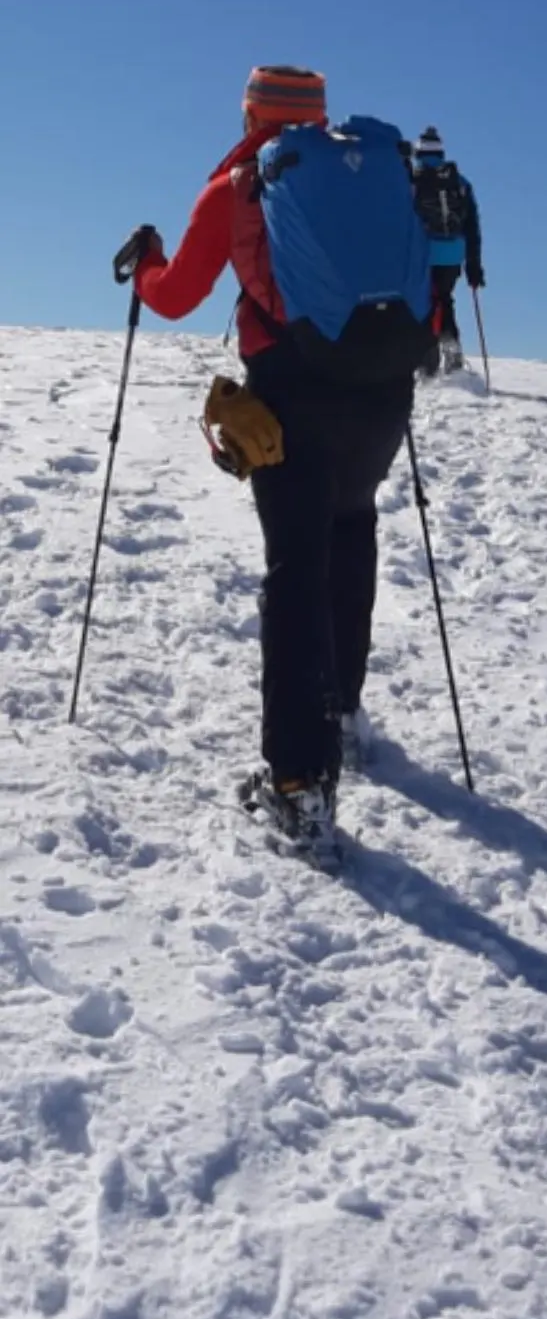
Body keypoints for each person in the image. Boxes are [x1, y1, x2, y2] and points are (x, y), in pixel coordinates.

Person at [116, 65, 417, 848]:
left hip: (292, 396)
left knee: (295, 569)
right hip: (383, 391)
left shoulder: (241, 185)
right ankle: (342, 715)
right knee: (352, 529)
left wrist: (144, 264)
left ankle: (297, 781)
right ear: (317, 116)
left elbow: (177, 294)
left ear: (250, 111)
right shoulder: (374, 174)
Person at [412, 127, 484, 372]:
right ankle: (451, 349)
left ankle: (428, 361)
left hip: (422, 253)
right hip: (454, 253)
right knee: (444, 298)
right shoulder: (460, 183)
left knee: (423, 303)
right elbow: (472, 225)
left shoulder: (412, 180)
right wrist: (474, 265)